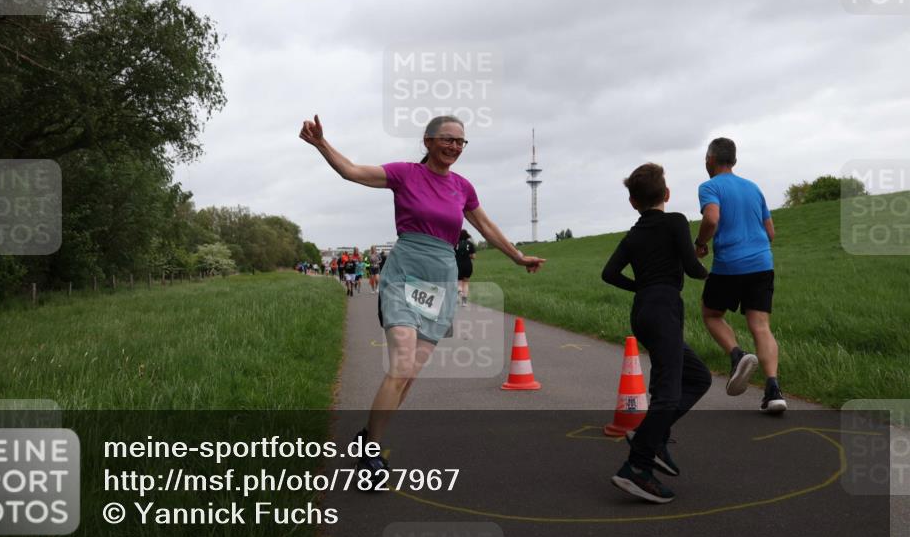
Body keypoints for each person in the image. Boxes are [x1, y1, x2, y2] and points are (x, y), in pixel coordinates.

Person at [300, 113, 545, 485]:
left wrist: (517, 256)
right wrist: (322, 144)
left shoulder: (462, 187)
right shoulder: (405, 174)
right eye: (447, 139)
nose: (454, 147)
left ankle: (367, 437)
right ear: (428, 142)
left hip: (439, 281)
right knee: (401, 363)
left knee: (409, 374)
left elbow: (486, 226)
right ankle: (370, 455)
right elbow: (352, 171)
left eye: (460, 142)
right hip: (404, 273)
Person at [602, 163, 711, 504]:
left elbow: (609, 273)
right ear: (667, 194)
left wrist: (641, 287)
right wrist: (710, 271)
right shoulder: (676, 221)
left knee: (698, 377)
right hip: (665, 310)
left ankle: (651, 435)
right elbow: (692, 268)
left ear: (633, 202)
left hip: (644, 312)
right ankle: (637, 466)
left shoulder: (633, 235)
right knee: (668, 393)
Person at [694, 138, 786, 413]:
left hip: (729, 265)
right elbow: (771, 233)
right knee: (760, 326)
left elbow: (712, 218)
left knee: (711, 314)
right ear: (733, 160)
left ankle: (737, 355)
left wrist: (700, 243)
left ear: (710, 159)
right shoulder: (754, 188)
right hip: (762, 264)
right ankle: (774, 391)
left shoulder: (710, 187)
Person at [454, 229, 477, 306]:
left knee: (459, 281)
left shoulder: (455, 243)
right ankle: (464, 302)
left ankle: (459, 291)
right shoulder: (470, 244)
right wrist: (468, 255)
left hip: (458, 265)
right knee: (466, 283)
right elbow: (474, 256)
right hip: (467, 265)